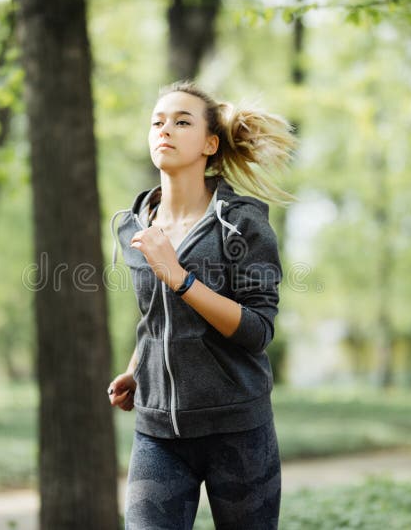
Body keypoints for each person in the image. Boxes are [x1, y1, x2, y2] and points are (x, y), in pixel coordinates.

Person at [108, 81, 296, 530]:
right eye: (157, 122)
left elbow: (257, 331)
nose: (164, 130)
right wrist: (138, 367)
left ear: (210, 144)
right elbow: (156, 318)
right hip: (158, 435)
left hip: (238, 431)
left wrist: (179, 276)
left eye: (181, 121)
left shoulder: (242, 225)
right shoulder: (134, 226)